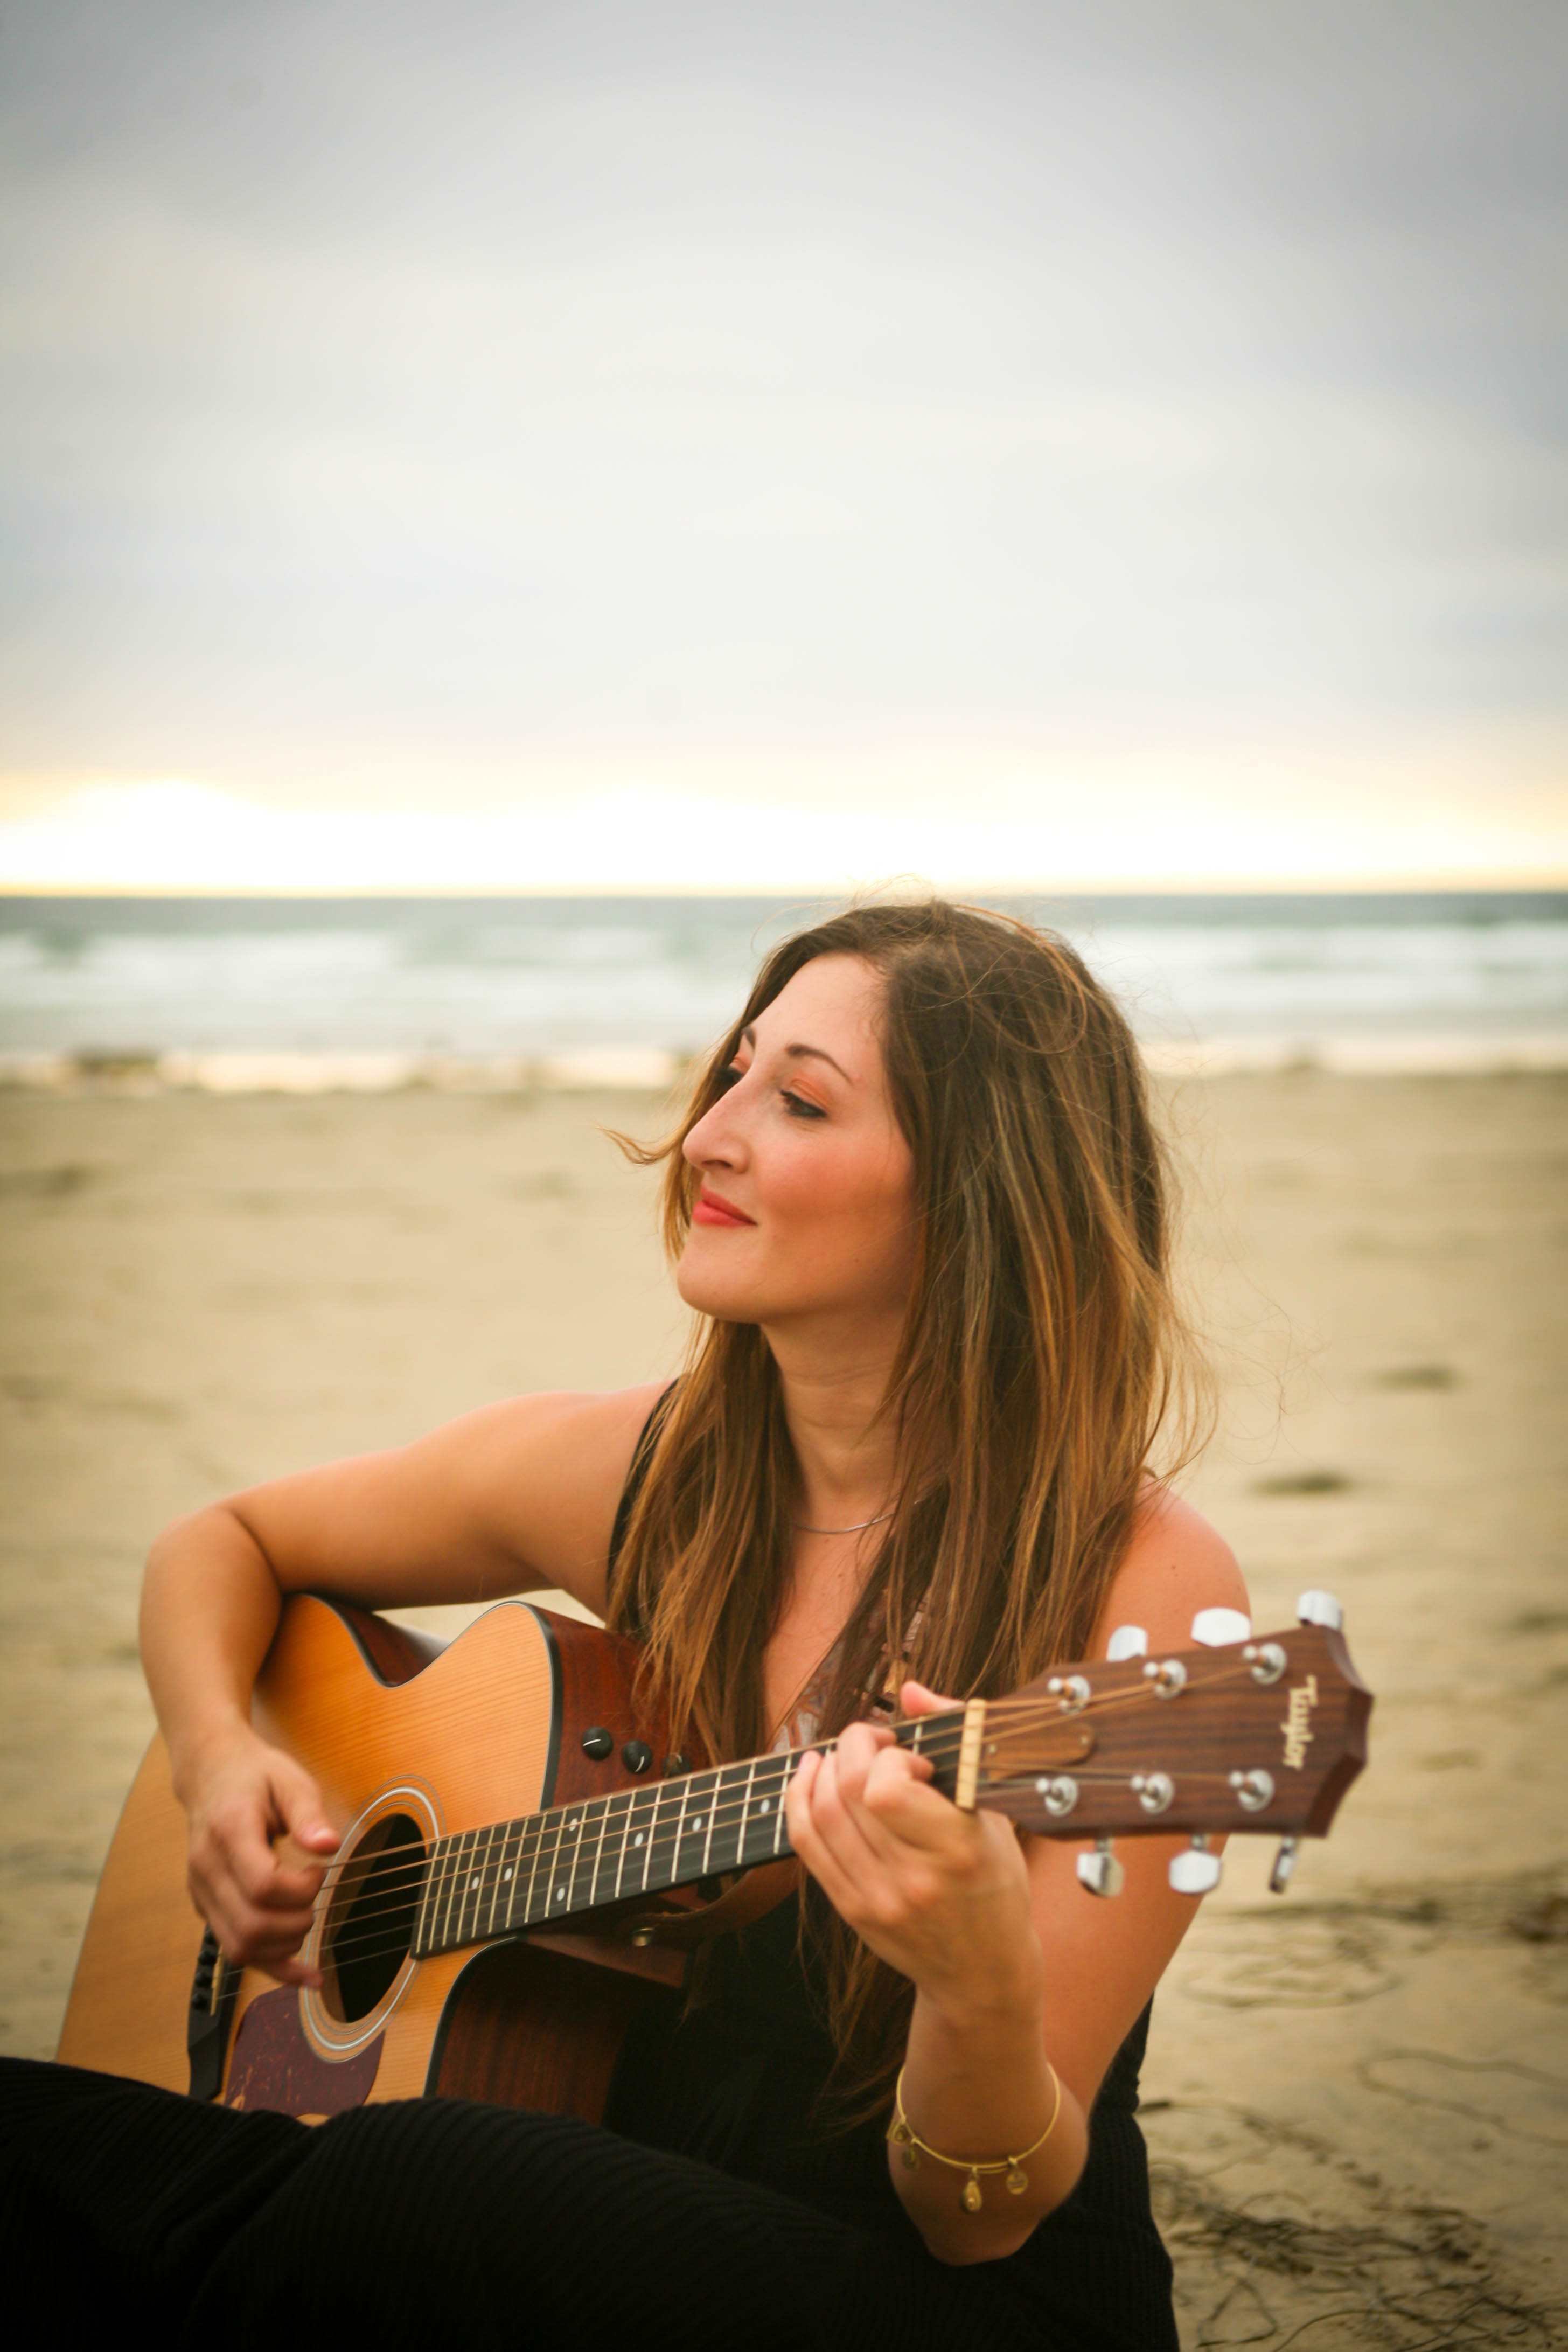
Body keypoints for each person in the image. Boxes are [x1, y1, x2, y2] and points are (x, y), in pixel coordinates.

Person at [1, 899, 1246, 2350]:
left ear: (977, 1196)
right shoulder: (660, 1475)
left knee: (415, 2182)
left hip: (942, 2298)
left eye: (799, 1102)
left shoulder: (1140, 1592)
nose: (707, 1136)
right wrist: (223, 1767)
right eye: (732, 1072)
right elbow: (222, 1543)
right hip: (582, 2217)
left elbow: (977, 2217)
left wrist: (974, 1985)